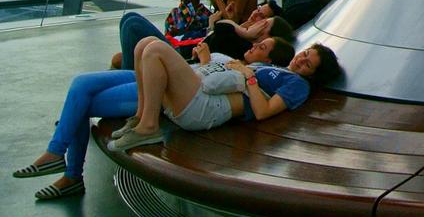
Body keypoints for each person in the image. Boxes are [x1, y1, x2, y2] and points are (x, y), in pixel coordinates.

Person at [12, 38, 293, 200]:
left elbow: (206, 88)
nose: (255, 44)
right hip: (156, 77)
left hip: (163, 89)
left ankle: (71, 173)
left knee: (83, 104)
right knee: (81, 83)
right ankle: (56, 152)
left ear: (268, 61)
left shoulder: (252, 76)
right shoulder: (233, 59)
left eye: (262, 46)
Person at [108, 37, 340, 152]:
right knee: (144, 44)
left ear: (312, 75)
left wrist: (248, 76)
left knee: (155, 49)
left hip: (205, 109)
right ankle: (141, 118)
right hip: (202, 96)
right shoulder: (275, 67)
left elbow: (263, 112)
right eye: (305, 53)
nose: (300, 60)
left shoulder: (297, 84)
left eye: (308, 64)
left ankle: (149, 127)